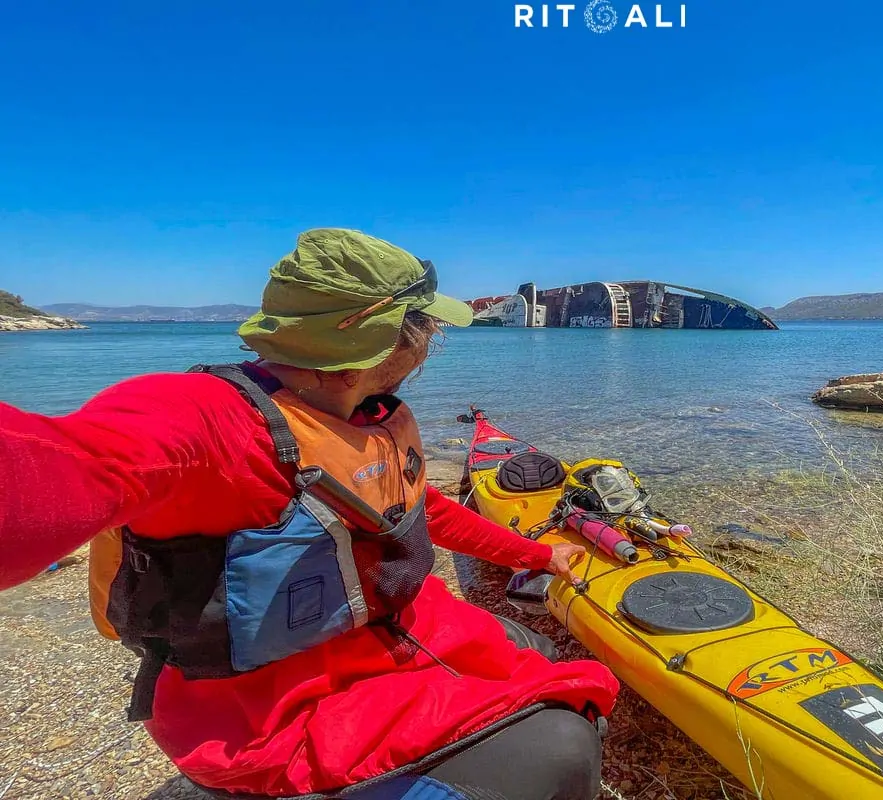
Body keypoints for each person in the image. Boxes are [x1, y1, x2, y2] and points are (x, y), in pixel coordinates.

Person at [0, 229, 621, 799]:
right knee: (562, 749)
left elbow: (417, 507)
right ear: (385, 339)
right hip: (272, 703)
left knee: (539, 652)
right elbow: (55, 471)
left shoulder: (368, 414)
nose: (434, 344)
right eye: (429, 329)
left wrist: (538, 554)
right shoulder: (204, 419)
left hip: (391, 634)